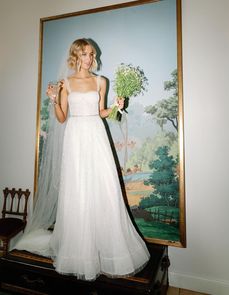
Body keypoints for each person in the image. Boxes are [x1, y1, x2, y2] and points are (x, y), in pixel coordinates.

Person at [18, 38, 150, 281]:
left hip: (96, 135)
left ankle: (109, 249)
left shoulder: (101, 81)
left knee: (105, 188)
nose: (89, 58)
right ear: (76, 56)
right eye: (85, 54)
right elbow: (61, 118)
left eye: (91, 54)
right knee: (78, 190)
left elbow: (102, 112)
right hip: (75, 137)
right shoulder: (65, 83)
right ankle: (79, 253)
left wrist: (117, 107)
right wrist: (54, 99)